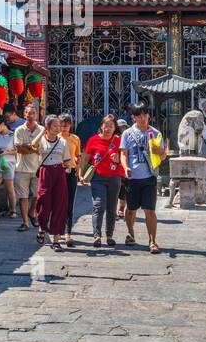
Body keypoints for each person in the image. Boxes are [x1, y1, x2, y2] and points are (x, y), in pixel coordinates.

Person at [119, 102, 169, 254]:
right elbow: (123, 153)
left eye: (145, 115)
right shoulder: (127, 133)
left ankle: (152, 241)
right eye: (139, 115)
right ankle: (130, 233)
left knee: (150, 210)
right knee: (131, 209)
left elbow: (163, 155)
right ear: (133, 117)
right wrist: (125, 166)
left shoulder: (155, 133)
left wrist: (159, 149)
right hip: (132, 177)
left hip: (149, 176)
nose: (143, 118)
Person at [80, 114, 123, 247]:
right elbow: (85, 158)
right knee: (98, 205)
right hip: (98, 178)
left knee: (111, 207)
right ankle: (97, 235)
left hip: (114, 178)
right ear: (101, 126)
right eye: (106, 125)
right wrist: (80, 174)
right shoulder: (93, 140)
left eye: (111, 126)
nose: (108, 128)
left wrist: (119, 160)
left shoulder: (119, 141)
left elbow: (125, 160)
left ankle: (109, 235)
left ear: (115, 127)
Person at [33, 114, 71, 250]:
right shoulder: (42, 140)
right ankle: (42, 228)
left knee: (59, 205)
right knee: (44, 203)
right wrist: (42, 132)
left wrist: (69, 167)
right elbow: (33, 145)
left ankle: (56, 239)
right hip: (45, 172)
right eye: (54, 125)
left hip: (59, 173)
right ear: (47, 127)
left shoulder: (62, 142)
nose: (58, 128)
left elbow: (67, 160)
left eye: (58, 125)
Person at [12, 104, 42, 231]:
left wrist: (28, 146)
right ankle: (25, 222)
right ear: (24, 115)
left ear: (36, 114)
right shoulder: (19, 130)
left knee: (38, 195)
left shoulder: (42, 130)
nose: (30, 116)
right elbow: (20, 150)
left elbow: (42, 149)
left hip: (37, 168)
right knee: (23, 196)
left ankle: (32, 212)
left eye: (33, 113)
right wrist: (33, 148)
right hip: (21, 169)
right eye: (28, 113)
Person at [59, 113, 81, 246]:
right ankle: (58, 229)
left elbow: (78, 155)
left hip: (71, 172)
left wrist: (79, 170)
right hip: (58, 171)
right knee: (58, 202)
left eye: (67, 124)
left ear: (70, 125)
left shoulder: (75, 139)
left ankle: (68, 233)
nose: (64, 127)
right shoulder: (55, 138)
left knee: (69, 203)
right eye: (62, 124)